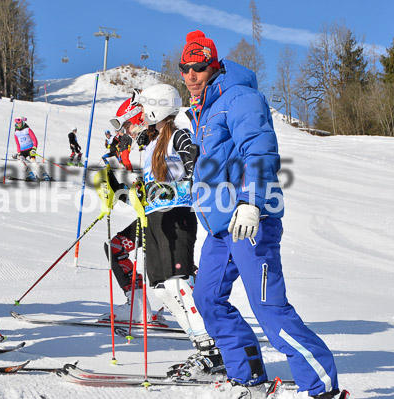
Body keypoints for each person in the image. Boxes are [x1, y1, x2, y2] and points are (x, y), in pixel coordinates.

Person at [181, 30, 344, 399]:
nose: (191, 75)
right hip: (222, 228)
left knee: (269, 309)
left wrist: (251, 201)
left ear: (214, 64)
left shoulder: (238, 96)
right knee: (207, 301)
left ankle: (321, 388)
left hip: (252, 221)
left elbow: (260, 150)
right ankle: (249, 376)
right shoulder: (204, 107)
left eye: (199, 67)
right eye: (185, 68)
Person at [103, 84, 224, 379]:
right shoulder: (149, 145)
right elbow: (148, 185)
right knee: (162, 288)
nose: (140, 119)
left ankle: (215, 351)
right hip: (155, 219)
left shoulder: (178, 135)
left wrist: (171, 189)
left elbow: (197, 172)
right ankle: (202, 348)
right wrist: (120, 191)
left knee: (178, 283)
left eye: (144, 112)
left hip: (178, 217)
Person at [12, 117, 52, 181]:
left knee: (33, 163)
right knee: (19, 161)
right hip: (22, 151)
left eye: (19, 123)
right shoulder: (16, 132)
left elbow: (35, 140)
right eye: (17, 123)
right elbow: (18, 144)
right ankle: (30, 175)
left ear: (23, 122)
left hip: (30, 149)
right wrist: (19, 152)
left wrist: (34, 149)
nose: (18, 124)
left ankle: (45, 175)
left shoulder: (27, 129)